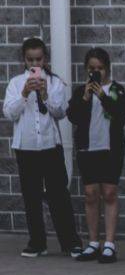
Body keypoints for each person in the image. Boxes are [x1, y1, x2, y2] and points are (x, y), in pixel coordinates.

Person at [2, 37, 82, 258]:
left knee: (59, 195)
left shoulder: (55, 82)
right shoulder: (16, 83)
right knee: (31, 196)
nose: (34, 64)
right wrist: (24, 93)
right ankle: (37, 242)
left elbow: (60, 113)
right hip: (26, 147)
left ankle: (70, 242)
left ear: (44, 59)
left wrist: (45, 95)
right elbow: (9, 113)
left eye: (38, 59)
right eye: (30, 60)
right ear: (24, 60)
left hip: (49, 145)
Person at [67, 47, 125, 263]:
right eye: (92, 69)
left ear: (107, 69)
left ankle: (110, 244)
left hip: (111, 149)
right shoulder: (81, 92)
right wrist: (86, 97)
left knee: (110, 192)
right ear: (86, 69)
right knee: (90, 194)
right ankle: (93, 242)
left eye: (100, 69)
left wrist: (102, 96)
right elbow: (73, 116)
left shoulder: (116, 90)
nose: (96, 72)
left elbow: (121, 114)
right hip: (88, 149)